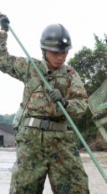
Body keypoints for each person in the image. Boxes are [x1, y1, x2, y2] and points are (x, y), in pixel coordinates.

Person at [0, 14, 90, 193]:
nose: (61, 57)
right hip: (30, 141)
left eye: (64, 52)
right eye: (56, 52)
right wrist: (3, 32)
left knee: (76, 189)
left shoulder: (71, 75)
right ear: (44, 50)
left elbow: (81, 105)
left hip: (61, 140)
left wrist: (65, 103)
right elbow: (2, 60)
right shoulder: (30, 68)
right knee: (23, 190)